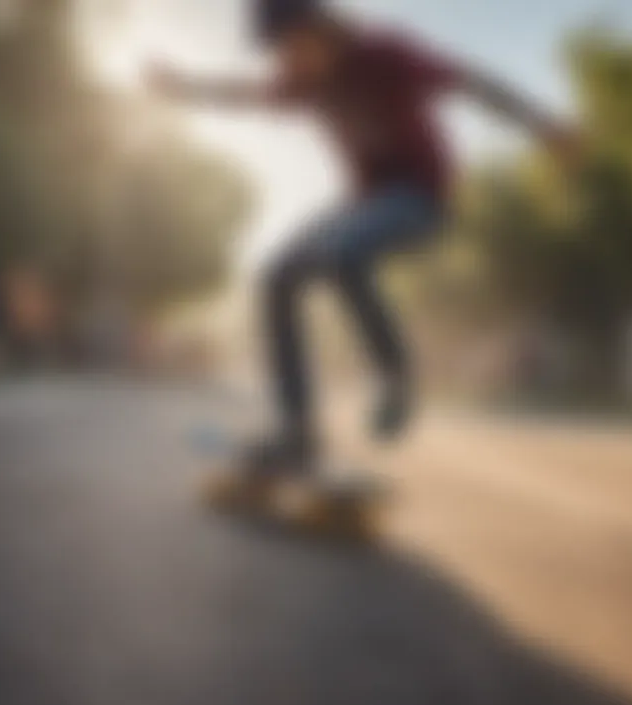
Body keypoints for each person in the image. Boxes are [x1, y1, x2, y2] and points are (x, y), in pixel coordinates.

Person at [146, 0, 577, 474]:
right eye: (278, 54)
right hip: (364, 205)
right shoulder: (303, 84)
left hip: (421, 200)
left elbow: (472, 82)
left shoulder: (386, 54)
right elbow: (244, 94)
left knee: (340, 254)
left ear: (321, 27)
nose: (288, 62)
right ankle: (298, 431)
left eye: (293, 46)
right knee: (277, 275)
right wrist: (183, 87)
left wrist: (543, 124)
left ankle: (394, 374)